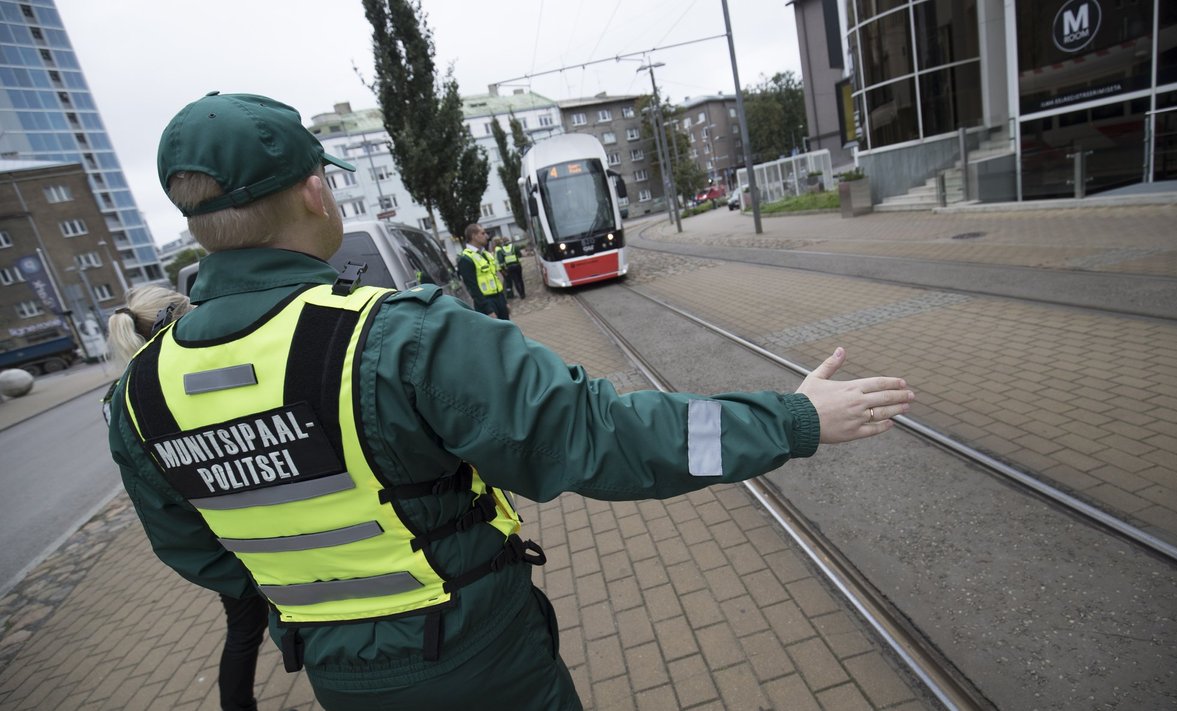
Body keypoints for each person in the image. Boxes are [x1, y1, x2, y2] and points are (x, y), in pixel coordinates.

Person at [106, 91, 914, 711]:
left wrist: (311, 598)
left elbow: (199, 552)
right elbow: (609, 438)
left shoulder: (138, 398)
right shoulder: (397, 341)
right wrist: (796, 419)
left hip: (340, 676)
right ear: (316, 191)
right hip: (482, 660)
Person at [105, 284, 269, 711]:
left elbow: (162, 511)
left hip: (227, 546)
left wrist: (230, 574)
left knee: (245, 631)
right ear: (178, 316)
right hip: (264, 536)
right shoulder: (192, 377)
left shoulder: (127, 396)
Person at [456, 223, 509, 319]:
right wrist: (488, 310)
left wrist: (504, 301)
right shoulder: (466, 258)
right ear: (474, 236)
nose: (487, 236)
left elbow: (495, 279)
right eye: (483, 233)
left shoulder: (486, 254)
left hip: (499, 299)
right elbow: (473, 288)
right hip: (486, 303)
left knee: (507, 330)